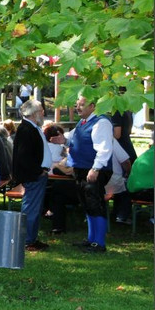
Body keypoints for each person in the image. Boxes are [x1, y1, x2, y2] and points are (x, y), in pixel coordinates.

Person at [66, 96, 114, 253]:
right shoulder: (83, 122)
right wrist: (63, 140)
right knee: (87, 204)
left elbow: (104, 148)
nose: (78, 107)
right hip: (82, 169)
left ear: (93, 106)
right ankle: (91, 239)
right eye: (77, 104)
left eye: (81, 105)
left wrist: (95, 168)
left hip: (94, 169)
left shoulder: (101, 122)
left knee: (95, 204)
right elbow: (75, 139)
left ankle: (99, 243)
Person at [11, 100, 52, 252]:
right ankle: (27, 240)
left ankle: (31, 238)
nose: (43, 113)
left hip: (36, 175)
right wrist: (38, 171)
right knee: (31, 208)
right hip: (33, 176)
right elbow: (24, 157)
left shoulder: (32, 128)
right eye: (41, 110)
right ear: (34, 113)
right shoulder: (27, 129)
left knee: (35, 208)